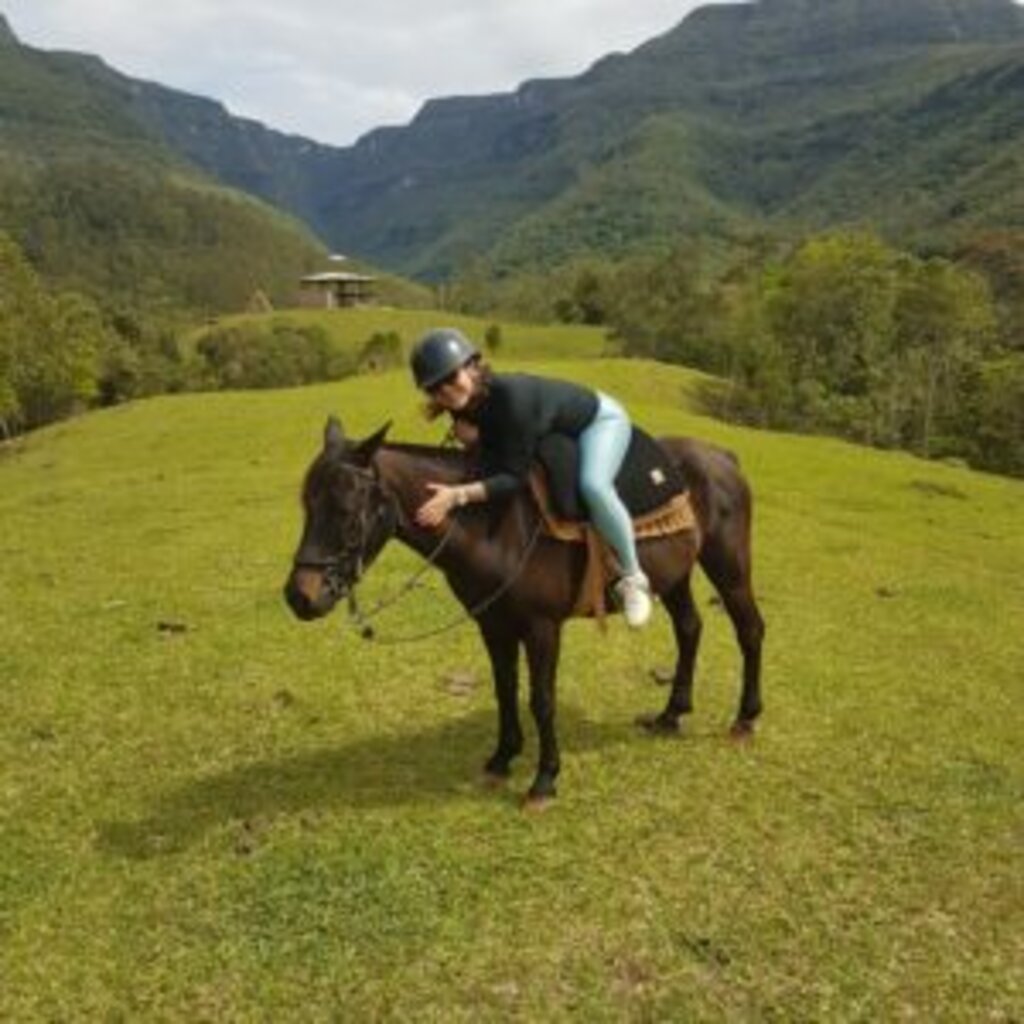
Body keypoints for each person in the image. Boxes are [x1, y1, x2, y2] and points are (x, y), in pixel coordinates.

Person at [409, 327, 652, 628]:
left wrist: (457, 494)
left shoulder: (512, 397)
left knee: (594, 486)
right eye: (435, 387)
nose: (445, 390)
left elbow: (513, 477)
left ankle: (633, 578)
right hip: (550, 427)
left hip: (599, 421)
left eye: (450, 377)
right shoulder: (465, 404)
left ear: (472, 367)